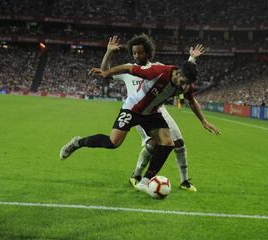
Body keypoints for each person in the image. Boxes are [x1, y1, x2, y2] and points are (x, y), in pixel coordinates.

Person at [60, 55, 219, 193]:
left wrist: (204, 121)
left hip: (152, 113)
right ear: (177, 73)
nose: (183, 86)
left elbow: (191, 101)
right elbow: (129, 68)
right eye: (183, 81)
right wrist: (107, 72)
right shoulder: (159, 72)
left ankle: (145, 181)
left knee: (168, 143)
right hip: (133, 109)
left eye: (187, 84)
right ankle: (78, 142)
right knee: (113, 143)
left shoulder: (185, 85)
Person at [100, 34, 205, 191]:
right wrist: (108, 52)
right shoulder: (128, 70)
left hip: (159, 110)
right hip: (137, 110)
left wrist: (191, 59)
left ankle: (183, 181)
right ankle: (137, 176)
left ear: (147, 52)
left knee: (177, 143)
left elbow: (180, 75)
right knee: (152, 144)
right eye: (134, 53)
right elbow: (104, 71)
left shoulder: (157, 66)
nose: (136, 55)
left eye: (140, 52)